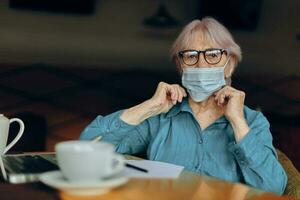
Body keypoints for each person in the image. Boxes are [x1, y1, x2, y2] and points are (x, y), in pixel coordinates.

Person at [80, 17, 287, 194]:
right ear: (180, 66)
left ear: (229, 65)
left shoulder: (252, 122)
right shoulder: (161, 118)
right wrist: (148, 107)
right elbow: (87, 152)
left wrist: (238, 122)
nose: (201, 64)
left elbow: (274, 188)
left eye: (213, 55)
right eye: (190, 56)